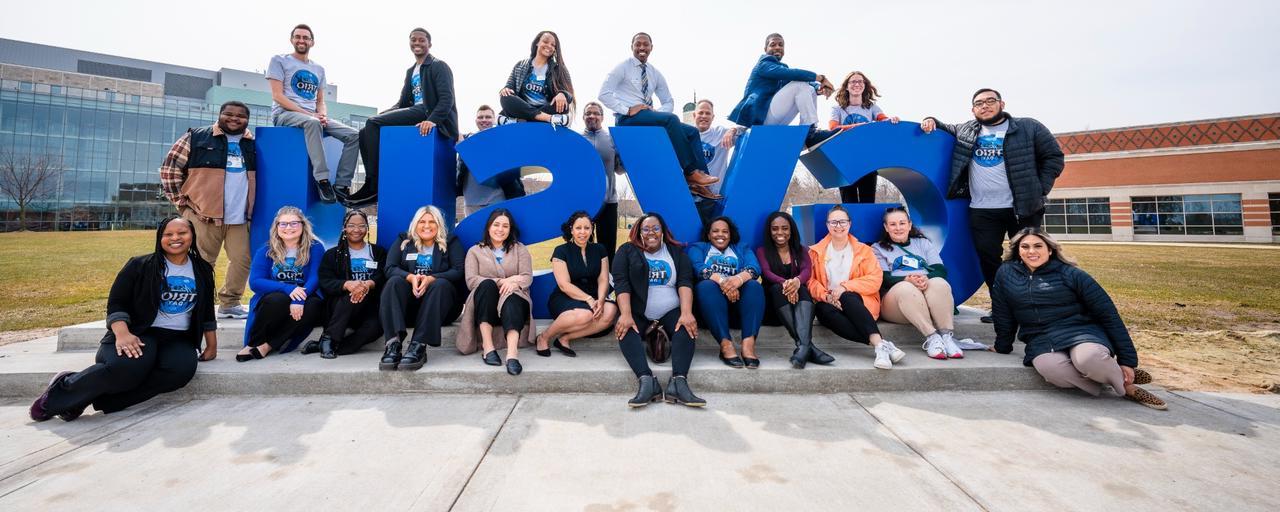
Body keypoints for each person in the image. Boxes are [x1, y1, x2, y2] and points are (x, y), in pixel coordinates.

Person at [30, 216, 217, 422]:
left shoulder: (202, 269)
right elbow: (117, 303)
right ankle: (61, 391)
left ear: (192, 235)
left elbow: (207, 310)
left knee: (180, 372)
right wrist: (122, 333)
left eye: (182, 233)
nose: (175, 238)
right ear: (159, 238)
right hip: (139, 331)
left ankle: (97, 400)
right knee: (129, 368)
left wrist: (211, 345)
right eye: (168, 234)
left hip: (178, 338)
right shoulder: (140, 265)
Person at [920, 88, 1064, 323]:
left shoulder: (1028, 127)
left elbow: (1054, 157)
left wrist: (1039, 188)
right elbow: (943, 127)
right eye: (979, 103)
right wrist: (931, 120)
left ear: (1002, 103)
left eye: (990, 101)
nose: (985, 106)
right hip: (982, 209)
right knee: (988, 259)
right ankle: (1002, 309)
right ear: (973, 109)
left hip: (1022, 208)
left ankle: (1037, 308)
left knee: (1029, 257)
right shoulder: (967, 130)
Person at [991, 228, 1166, 410]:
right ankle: (1108, 379)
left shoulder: (1071, 274)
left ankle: (1127, 387)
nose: (1031, 251)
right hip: (1041, 338)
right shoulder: (1006, 273)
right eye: (1025, 246)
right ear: (1018, 250)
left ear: (1050, 249)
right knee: (1054, 372)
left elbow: (1108, 315)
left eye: (1038, 246)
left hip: (1081, 332)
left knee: (1089, 359)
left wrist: (1127, 361)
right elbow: (1002, 312)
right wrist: (1002, 345)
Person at [159, 101, 255, 319]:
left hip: (240, 217)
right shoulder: (196, 137)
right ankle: (199, 304)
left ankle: (230, 302)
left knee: (242, 259)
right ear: (220, 115)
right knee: (201, 261)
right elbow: (169, 169)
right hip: (202, 215)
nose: (234, 118)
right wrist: (182, 205)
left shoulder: (254, 144)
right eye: (229, 114)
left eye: (240, 115)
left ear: (247, 120)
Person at [599, 32, 720, 200]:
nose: (642, 47)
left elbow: (668, 101)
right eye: (638, 44)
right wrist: (626, 110)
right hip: (627, 120)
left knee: (691, 132)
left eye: (645, 44)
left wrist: (657, 113)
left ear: (651, 48)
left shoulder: (654, 73)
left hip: (646, 117)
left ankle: (699, 183)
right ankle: (690, 171)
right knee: (671, 120)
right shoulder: (623, 67)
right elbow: (603, 94)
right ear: (632, 47)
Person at [350, 27, 459, 206]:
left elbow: (447, 99)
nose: (417, 43)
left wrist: (432, 120)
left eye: (421, 40)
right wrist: (382, 115)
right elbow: (402, 103)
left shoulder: (438, 65)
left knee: (372, 124)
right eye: (413, 40)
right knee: (366, 130)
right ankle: (371, 181)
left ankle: (373, 184)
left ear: (429, 44)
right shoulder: (411, 71)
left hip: (427, 112)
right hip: (415, 111)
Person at [612, 212, 704, 408]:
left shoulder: (676, 253)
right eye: (646, 229)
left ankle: (678, 383)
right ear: (638, 231)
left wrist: (687, 312)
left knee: (685, 325)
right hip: (638, 312)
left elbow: (685, 281)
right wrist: (626, 314)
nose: (651, 233)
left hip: (670, 311)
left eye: (655, 228)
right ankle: (647, 381)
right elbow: (621, 284)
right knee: (625, 327)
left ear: (662, 231)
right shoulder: (627, 251)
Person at [267, 24, 360, 204]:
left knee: (354, 135)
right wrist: (310, 115)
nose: (301, 40)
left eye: (305, 37)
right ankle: (322, 180)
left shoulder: (319, 69)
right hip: (285, 114)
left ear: (312, 42)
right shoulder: (279, 60)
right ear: (292, 40)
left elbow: (320, 101)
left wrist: (322, 114)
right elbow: (277, 96)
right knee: (313, 123)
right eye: (298, 37)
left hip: (312, 116)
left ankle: (341, 185)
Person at [807, 206, 906, 369]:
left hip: (860, 304)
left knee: (847, 296)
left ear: (850, 224)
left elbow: (875, 279)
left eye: (842, 221)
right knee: (821, 310)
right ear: (827, 225)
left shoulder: (864, 251)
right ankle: (881, 344)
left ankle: (880, 347)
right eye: (834, 222)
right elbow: (811, 282)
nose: (838, 226)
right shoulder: (815, 252)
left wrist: (845, 287)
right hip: (831, 303)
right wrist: (827, 296)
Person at [379, 205, 466, 371]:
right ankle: (393, 344)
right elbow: (389, 268)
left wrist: (432, 278)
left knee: (440, 284)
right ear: (415, 224)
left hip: (440, 308)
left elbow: (458, 270)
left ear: (439, 224)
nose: (427, 226)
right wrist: (410, 277)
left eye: (432, 221)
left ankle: (418, 345)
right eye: (422, 221)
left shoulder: (451, 241)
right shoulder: (403, 240)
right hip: (410, 308)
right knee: (394, 282)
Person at [871, 207, 964, 360]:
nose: (898, 228)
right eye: (893, 224)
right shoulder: (877, 248)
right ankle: (932, 338)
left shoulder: (923, 243)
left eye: (902, 223)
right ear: (886, 227)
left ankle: (946, 338)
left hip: (925, 298)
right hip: (896, 304)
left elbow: (940, 269)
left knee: (939, 283)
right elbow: (882, 277)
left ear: (909, 224)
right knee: (906, 288)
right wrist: (906, 279)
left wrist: (925, 278)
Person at [237, 206, 325, 361]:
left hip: (307, 293)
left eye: (294, 223)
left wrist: (299, 299)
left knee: (314, 306)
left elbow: (315, 278)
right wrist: (288, 288)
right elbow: (255, 282)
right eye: (283, 224)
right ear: (276, 226)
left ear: (303, 225)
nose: (288, 227)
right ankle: (253, 343)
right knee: (277, 299)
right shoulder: (266, 250)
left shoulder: (315, 247)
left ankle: (268, 345)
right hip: (276, 296)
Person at [459, 209, 535, 376]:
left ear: (510, 229)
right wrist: (502, 281)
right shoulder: (475, 251)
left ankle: (512, 354)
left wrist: (513, 284)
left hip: (514, 300)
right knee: (486, 285)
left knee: (512, 297)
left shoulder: (519, 249)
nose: (500, 229)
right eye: (496, 225)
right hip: (486, 302)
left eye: (505, 226)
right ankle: (488, 347)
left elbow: (527, 277)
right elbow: (471, 280)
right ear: (488, 227)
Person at [755, 211, 834, 369]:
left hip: (798, 307)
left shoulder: (801, 250)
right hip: (774, 309)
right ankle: (808, 347)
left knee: (803, 289)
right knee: (778, 288)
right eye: (775, 228)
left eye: (785, 228)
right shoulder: (762, 251)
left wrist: (797, 282)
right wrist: (787, 284)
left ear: (791, 230)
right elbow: (767, 273)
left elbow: (806, 270)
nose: (780, 232)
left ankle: (803, 347)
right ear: (769, 231)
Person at [727, 33, 836, 147]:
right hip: (760, 120)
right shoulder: (763, 64)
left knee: (809, 89)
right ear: (765, 49)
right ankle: (810, 135)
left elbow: (802, 82)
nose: (777, 47)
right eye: (773, 45)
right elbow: (792, 75)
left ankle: (808, 132)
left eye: (781, 45)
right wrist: (820, 78)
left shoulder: (781, 69)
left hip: (773, 120)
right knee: (799, 85)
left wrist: (819, 88)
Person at [304, 210, 386, 358]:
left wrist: (368, 284)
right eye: (351, 225)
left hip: (367, 307)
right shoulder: (332, 255)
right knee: (351, 296)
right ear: (344, 228)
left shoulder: (378, 252)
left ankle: (331, 346)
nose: (356, 230)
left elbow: (383, 275)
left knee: (376, 327)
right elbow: (325, 281)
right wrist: (347, 285)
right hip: (339, 307)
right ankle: (331, 338)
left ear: (367, 228)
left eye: (361, 226)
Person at [687, 216, 765, 369]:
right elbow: (699, 268)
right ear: (708, 235)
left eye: (725, 231)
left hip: (738, 307)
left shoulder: (742, 248)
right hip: (710, 309)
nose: (720, 235)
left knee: (754, 286)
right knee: (706, 286)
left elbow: (755, 268)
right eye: (715, 231)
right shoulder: (699, 248)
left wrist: (737, 280)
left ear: (730, 235)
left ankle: (748, 345)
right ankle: (726, 346)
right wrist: (724, 283)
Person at [538, 211, 619, 357]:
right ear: (571, 230)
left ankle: (565, 338)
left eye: (587, 228)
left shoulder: (600, 249)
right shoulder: (561, 251)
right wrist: (588, 299)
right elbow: (564, 284)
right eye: (578, 228)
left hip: (595, 294)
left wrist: (600, 300)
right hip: (566, 297)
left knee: (610, 311)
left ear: (592, 229)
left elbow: (603, 279)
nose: (583, 232)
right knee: (585, 314)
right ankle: (544, 337)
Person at [829, 71, 899, 203]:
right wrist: (860, 125)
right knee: (849, 204)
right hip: (845, 160)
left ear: (865, 85)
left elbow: (882, 120)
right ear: (846, 86)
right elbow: (833, 128)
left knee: (868, 202)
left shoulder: (871, 107)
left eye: (860, 81)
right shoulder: (837, 109)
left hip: (867, 160)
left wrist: (891, 119)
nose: (857, 84)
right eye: (853, 81)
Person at [457, 105, 525, 216]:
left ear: (494, 119)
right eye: (480, 117)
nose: (484, 120)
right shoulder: (466, 139)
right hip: (471, 200)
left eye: (488, 117)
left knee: (496, 231)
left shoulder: (502, 140)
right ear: (476, 120)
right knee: (473, 233)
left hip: (496, 198)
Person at [498, 31, 574, 127]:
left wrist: (563, 94)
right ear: (537, 42)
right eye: (545, 42)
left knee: (563, 106)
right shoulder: (520, 65)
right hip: (523, 107)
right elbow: (509, 86)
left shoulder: (559, 69)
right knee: (505, 97)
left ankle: (519, 121)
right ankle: (548, 119)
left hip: (546, 108)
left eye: (553, 45)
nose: (549, 46)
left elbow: (569, 94)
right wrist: (505, 89)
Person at [581, 101, 625, 259]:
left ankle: (609, 281)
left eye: (596, 113)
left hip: (609, 202)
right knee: (583, 248)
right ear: (583, 117)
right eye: (588, 113)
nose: (592, 116)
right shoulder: (576, 140)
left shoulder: (612, 140)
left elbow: (620, 170)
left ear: (602, 117)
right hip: (583, 202)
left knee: (607, 248)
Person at [692, 100, 740, 223]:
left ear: (713, 117)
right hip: (689, 198)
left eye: (707, 113)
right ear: (694, 115)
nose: (704, 116)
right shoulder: (685, 135)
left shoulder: (720, 133)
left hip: (713, 198)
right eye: (700, 112)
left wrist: (733, 130)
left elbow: (749, 129)